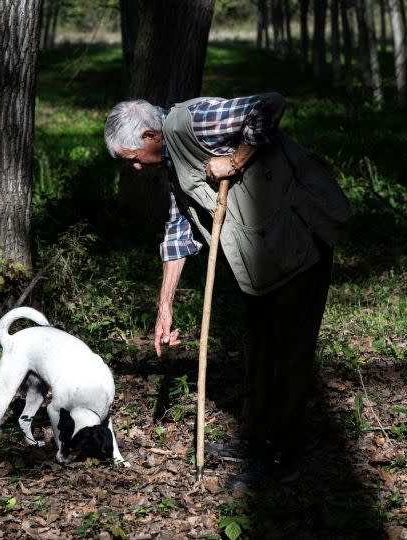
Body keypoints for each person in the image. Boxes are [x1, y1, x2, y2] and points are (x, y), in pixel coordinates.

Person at [104, 93, 351, 478]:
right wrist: (164, 308)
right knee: (257, 348)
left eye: (132, 157)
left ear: (151, 135)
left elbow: (268, 106)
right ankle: (254, 439)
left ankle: (280, 456)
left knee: (290, 352)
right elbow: (177, 232)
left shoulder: (194, 121)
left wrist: (234, 161)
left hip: (298, 239)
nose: (135, 167)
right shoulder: (171, 158)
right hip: (263, 255)